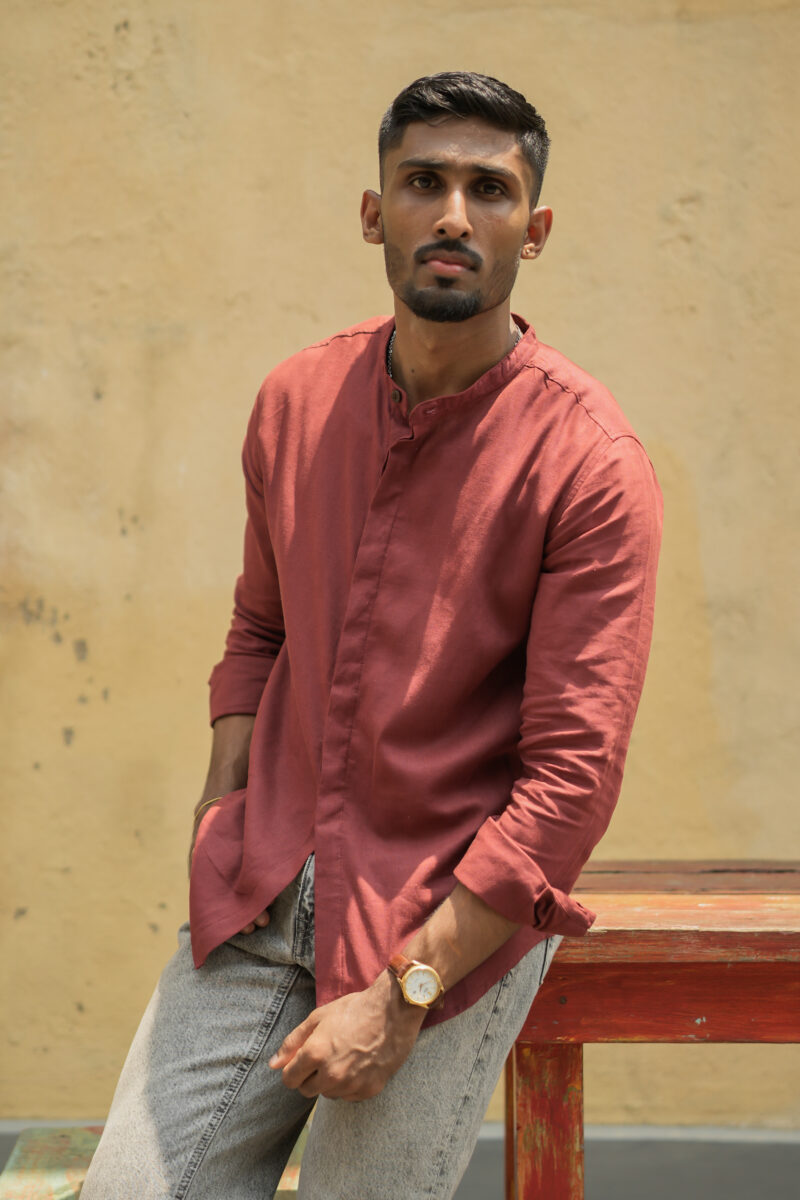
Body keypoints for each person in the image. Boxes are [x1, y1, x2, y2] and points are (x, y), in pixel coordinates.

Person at [82, 71, 662, 1199]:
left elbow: (571, 781)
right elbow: (259, 627)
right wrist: (223, 809)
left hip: (447, 921)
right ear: (372, 212)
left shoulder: (589, 462)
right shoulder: (296, 402)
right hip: (263, 887)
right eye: (422, 182)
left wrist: (401, 994)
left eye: (488, 190)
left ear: (534, 230)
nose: (453, 215)